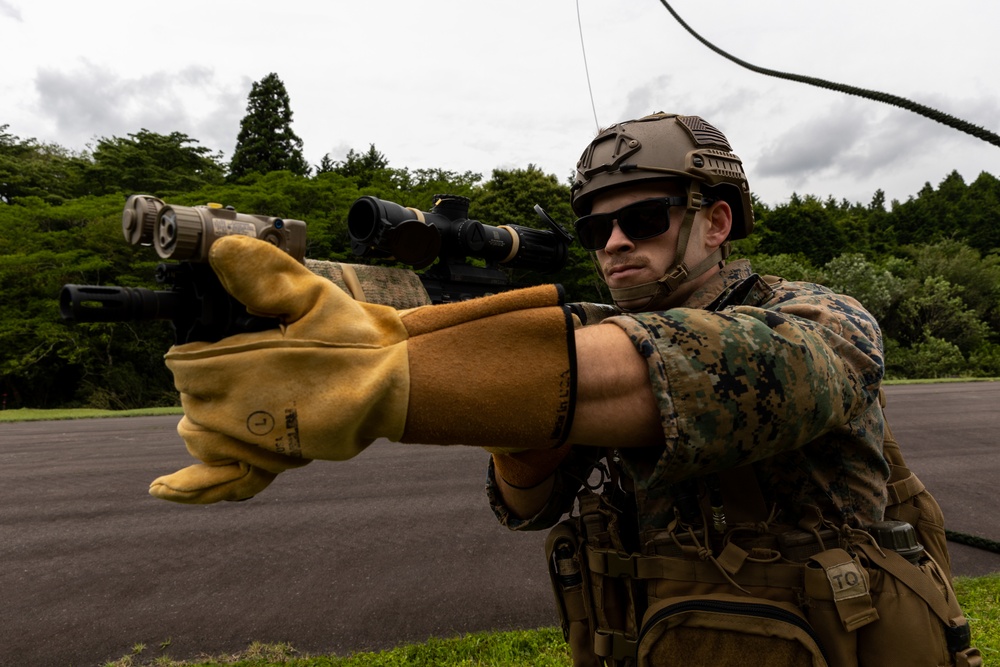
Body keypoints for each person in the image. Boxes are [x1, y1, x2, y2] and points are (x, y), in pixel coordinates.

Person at [152, 113, 978, 666]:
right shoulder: (580, 339)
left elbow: (695, 369)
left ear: (716, 221)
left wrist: (394, 376)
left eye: (644, 219)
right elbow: (527, 499)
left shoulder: (823, 321)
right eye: (596, 229)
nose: (615, 243)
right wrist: (486, 387)